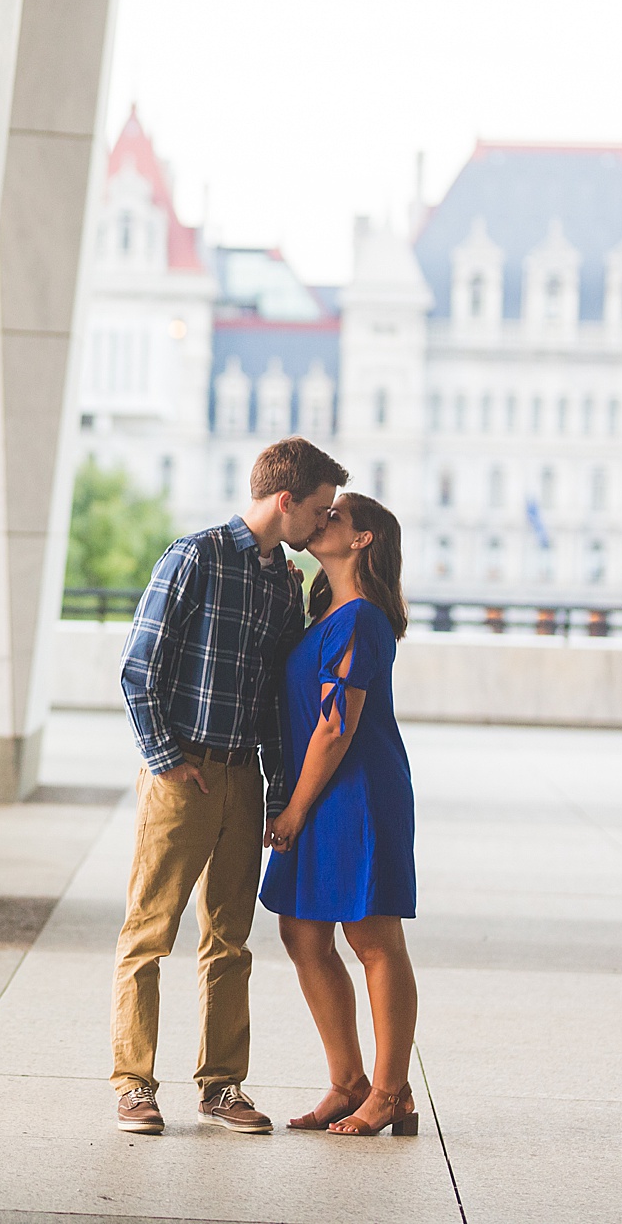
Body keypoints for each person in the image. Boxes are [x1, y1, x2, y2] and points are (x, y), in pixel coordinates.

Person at [112, 437, 347, 1135]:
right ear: (286, 501)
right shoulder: (197, 556)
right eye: (319, 510)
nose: (322, 523)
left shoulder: (281, 585)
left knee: (229, 940)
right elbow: (137, 668)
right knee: (148, 934)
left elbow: (276, 702)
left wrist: (276, 796)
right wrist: (166, 758)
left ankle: (222, 1087)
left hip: (244, 777)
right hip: (181, 775)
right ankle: (133, 1085)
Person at [260, 492, 421, 1137]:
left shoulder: (362, 619)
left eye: (335, 516)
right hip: (320, 787)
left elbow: (336, 728)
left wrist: (294, 810)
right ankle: (348, 1082)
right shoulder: (326, 610)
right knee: (303, 934)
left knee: (373, 938)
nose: (319, 520)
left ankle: (389, 1093)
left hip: (354, 789)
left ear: (363, 541)